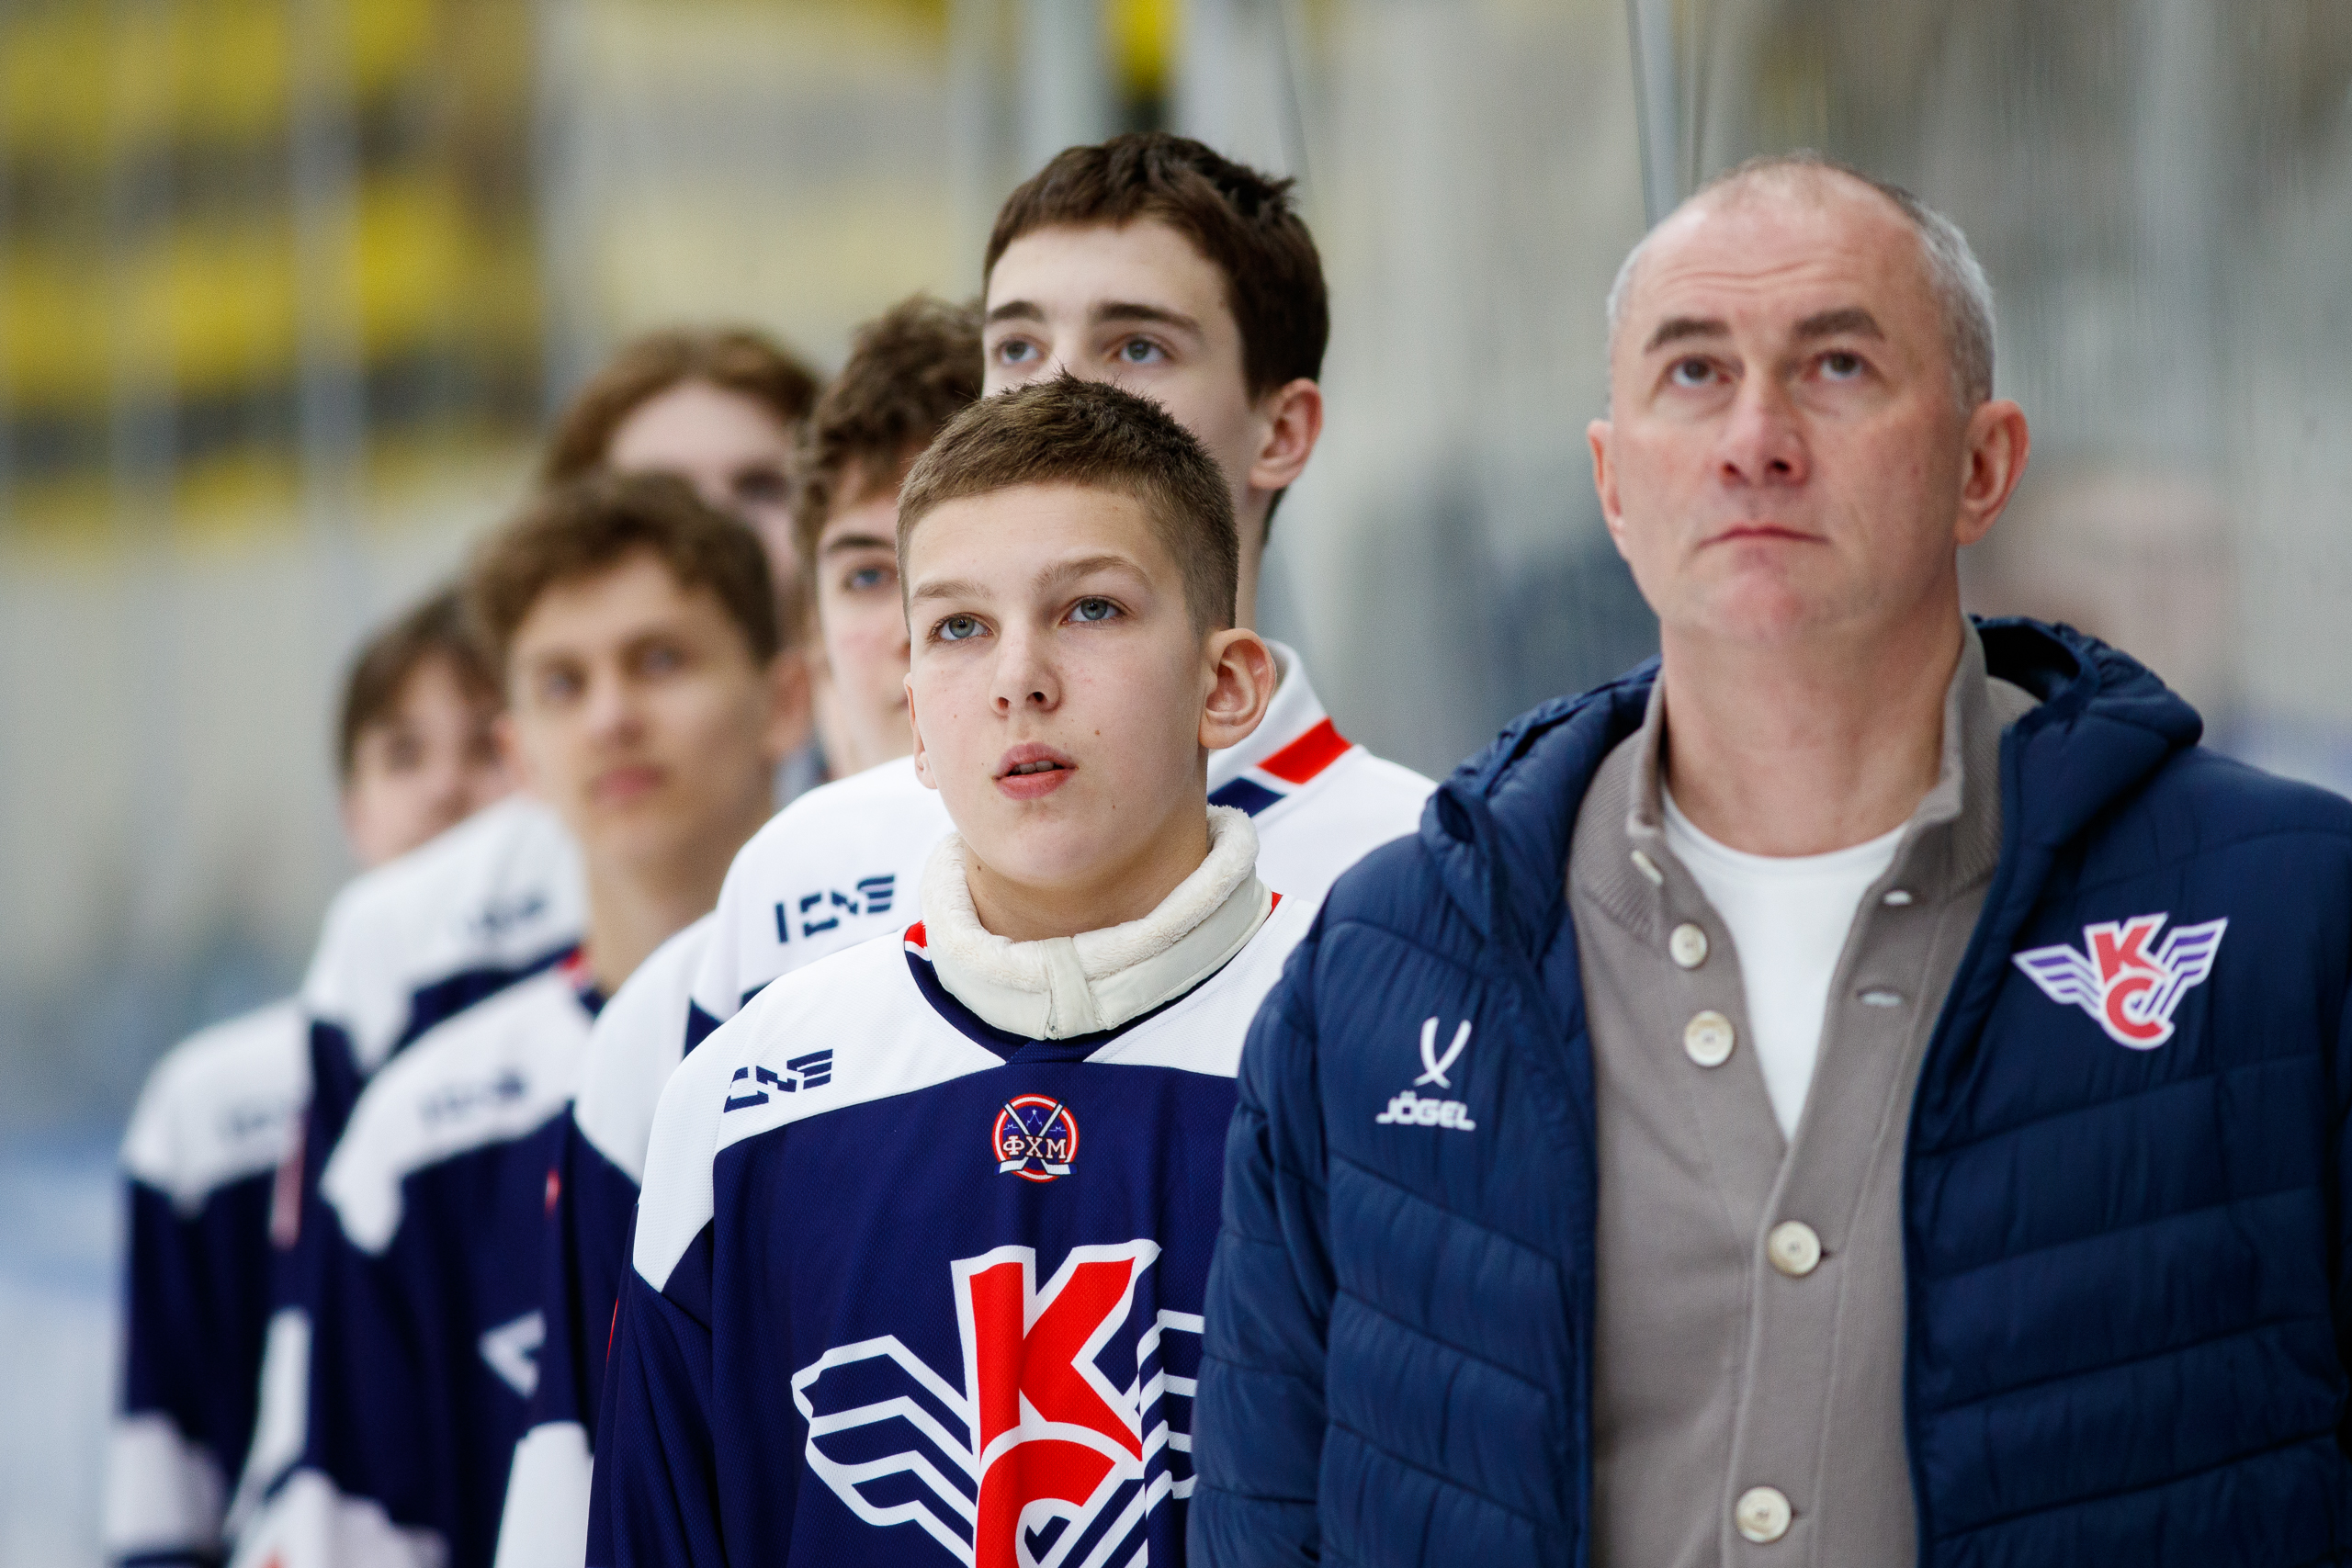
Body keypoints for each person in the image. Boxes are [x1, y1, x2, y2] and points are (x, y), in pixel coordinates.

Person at [1191, 151, 2352, 1567]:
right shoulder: (1389, 964)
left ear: (1983, 466)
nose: (1757, 438)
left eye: (1838, 366)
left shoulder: (2290, 916)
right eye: (1694, 372)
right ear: (1613, 484)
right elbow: (1265, 1523)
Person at [595, 375, 1313, 1565]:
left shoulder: (1356, 1050)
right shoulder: (740, 1100)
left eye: (1090, 608)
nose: (1018, 677)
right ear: (918, 718)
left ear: (1226, 683)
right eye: (959, 627)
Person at [675, 131, 1431, 1068]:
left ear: (1282, 429)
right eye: (1017, 345)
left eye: (1138, 346)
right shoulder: (808, 868)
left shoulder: (1421, 866)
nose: (1058, 383)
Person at [232, 326, 822, 1526]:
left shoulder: (895, 1050)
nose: (611, 718)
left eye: (661, 660)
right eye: (562, 682)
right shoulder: (417, 1129)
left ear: (784, 699)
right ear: (518, 749)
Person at [491, 294, 984, 1568]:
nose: (711, 532)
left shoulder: (1268, 914)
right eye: (869, 571)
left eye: (753, 487)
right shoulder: (663, 1023)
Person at [105, 587, 507, 1568]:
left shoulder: (618, 1072)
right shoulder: (208, 1115)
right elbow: (164, 1493)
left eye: (487, 746)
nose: (447, 788)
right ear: (352, 810)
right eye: (404, 754)